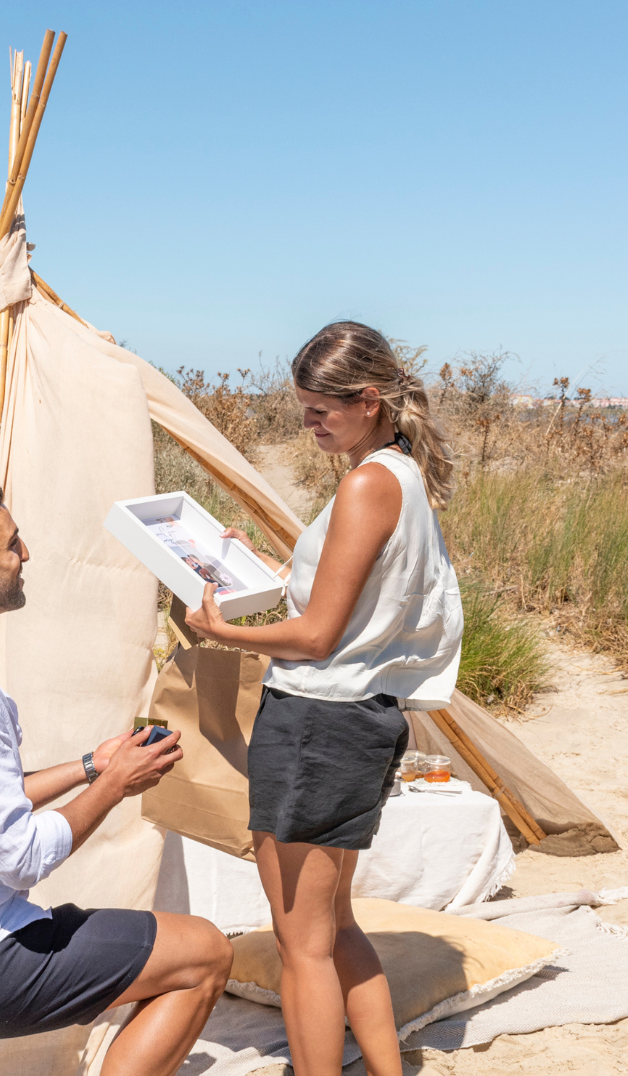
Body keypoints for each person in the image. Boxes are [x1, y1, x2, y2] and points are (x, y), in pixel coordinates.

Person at [0, 482, 233, 1076]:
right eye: (13, 543)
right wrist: (113, 788)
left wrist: (92, 765)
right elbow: (19, 857)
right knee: (206, 953)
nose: (26, 554)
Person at [185, 322, 462, 1076]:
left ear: (369, 400)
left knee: (300, 944)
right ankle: (385, 1067)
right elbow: (341, 595)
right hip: (357, 717)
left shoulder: (369, 482)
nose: (307, 425)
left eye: (318, 412)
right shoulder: (395, 472)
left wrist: (219, 630)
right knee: (334, 927)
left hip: (317, 720)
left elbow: (313, 636)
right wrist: (247, 566)